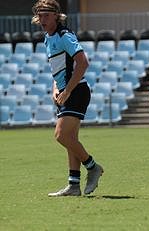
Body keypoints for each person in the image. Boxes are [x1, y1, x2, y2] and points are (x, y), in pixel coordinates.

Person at [31, 0, 103, 196]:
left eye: (47, 15)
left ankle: (93, 167)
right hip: (66, 92)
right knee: (71, 139)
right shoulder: (48, 37)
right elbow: (59, 69)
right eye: (40, 15)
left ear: (56, 15)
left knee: (61, 136)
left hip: (77, 91)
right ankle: (73, 185)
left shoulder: (65, 35)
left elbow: (82, 63)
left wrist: (67, 91)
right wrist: (56, 88)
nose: (43, 19)